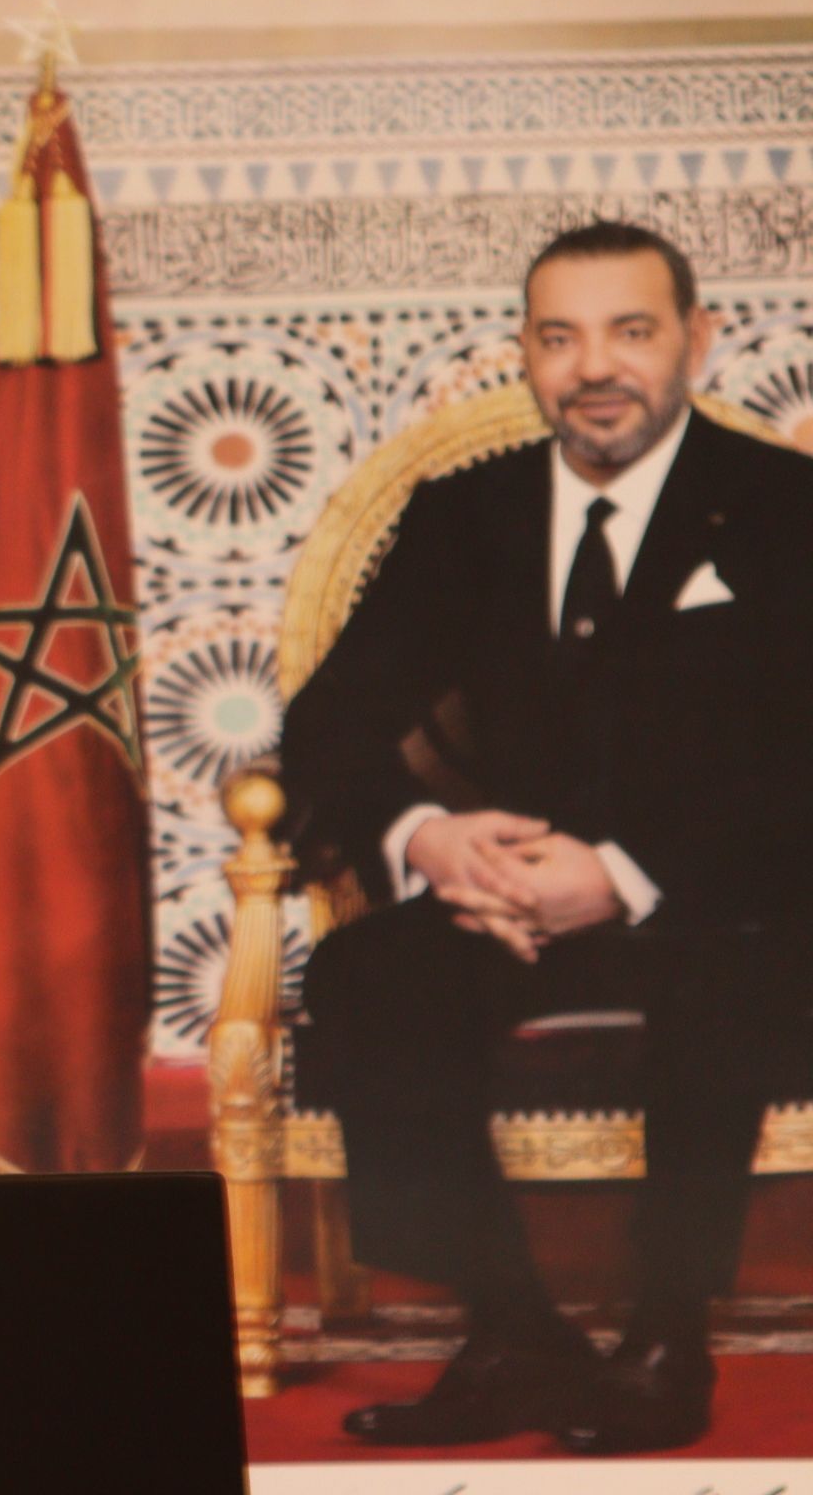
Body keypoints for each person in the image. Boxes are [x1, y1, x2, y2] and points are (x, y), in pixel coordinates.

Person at [282, 220, 813, 1455]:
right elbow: (327, 725)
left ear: (697, 338)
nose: (596, 367)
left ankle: (667, 1338)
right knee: (369, 969)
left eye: (631, 330)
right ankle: (512, 1328)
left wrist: (623, 875)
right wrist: (431, 840)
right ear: (524, 350)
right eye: (561, 337)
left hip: (729, 897)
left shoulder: (787, 509)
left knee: (722, 969)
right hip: (509, 899)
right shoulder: (465, 514)